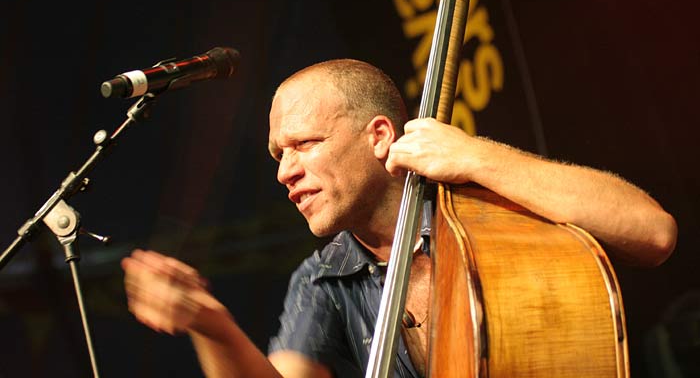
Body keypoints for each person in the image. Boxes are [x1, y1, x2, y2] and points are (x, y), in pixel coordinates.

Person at [122, 59, 677, 378]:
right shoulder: (324, 280)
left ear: (380, 137)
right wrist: (211, 325)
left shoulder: (493, 210)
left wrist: (478, 156)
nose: (284, 172)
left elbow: (652, 232)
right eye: (277, 155)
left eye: (304, 144)